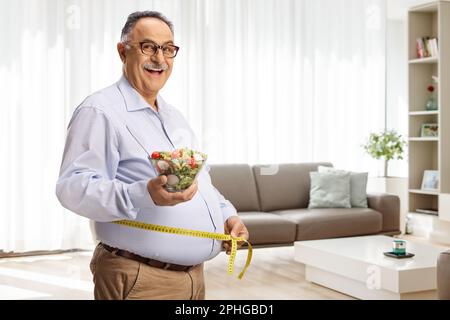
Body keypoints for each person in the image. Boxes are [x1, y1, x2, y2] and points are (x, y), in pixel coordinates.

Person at [56, 11, 249, 300]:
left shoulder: (174, 117)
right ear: (123, 52)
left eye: (168, 49)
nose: (160, 59)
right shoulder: (100, 111)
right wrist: (143, 193)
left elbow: (202, 182)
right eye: (148, 47)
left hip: (194, 279)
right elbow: (72, 188)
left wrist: (227, 216)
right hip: (140, 279)